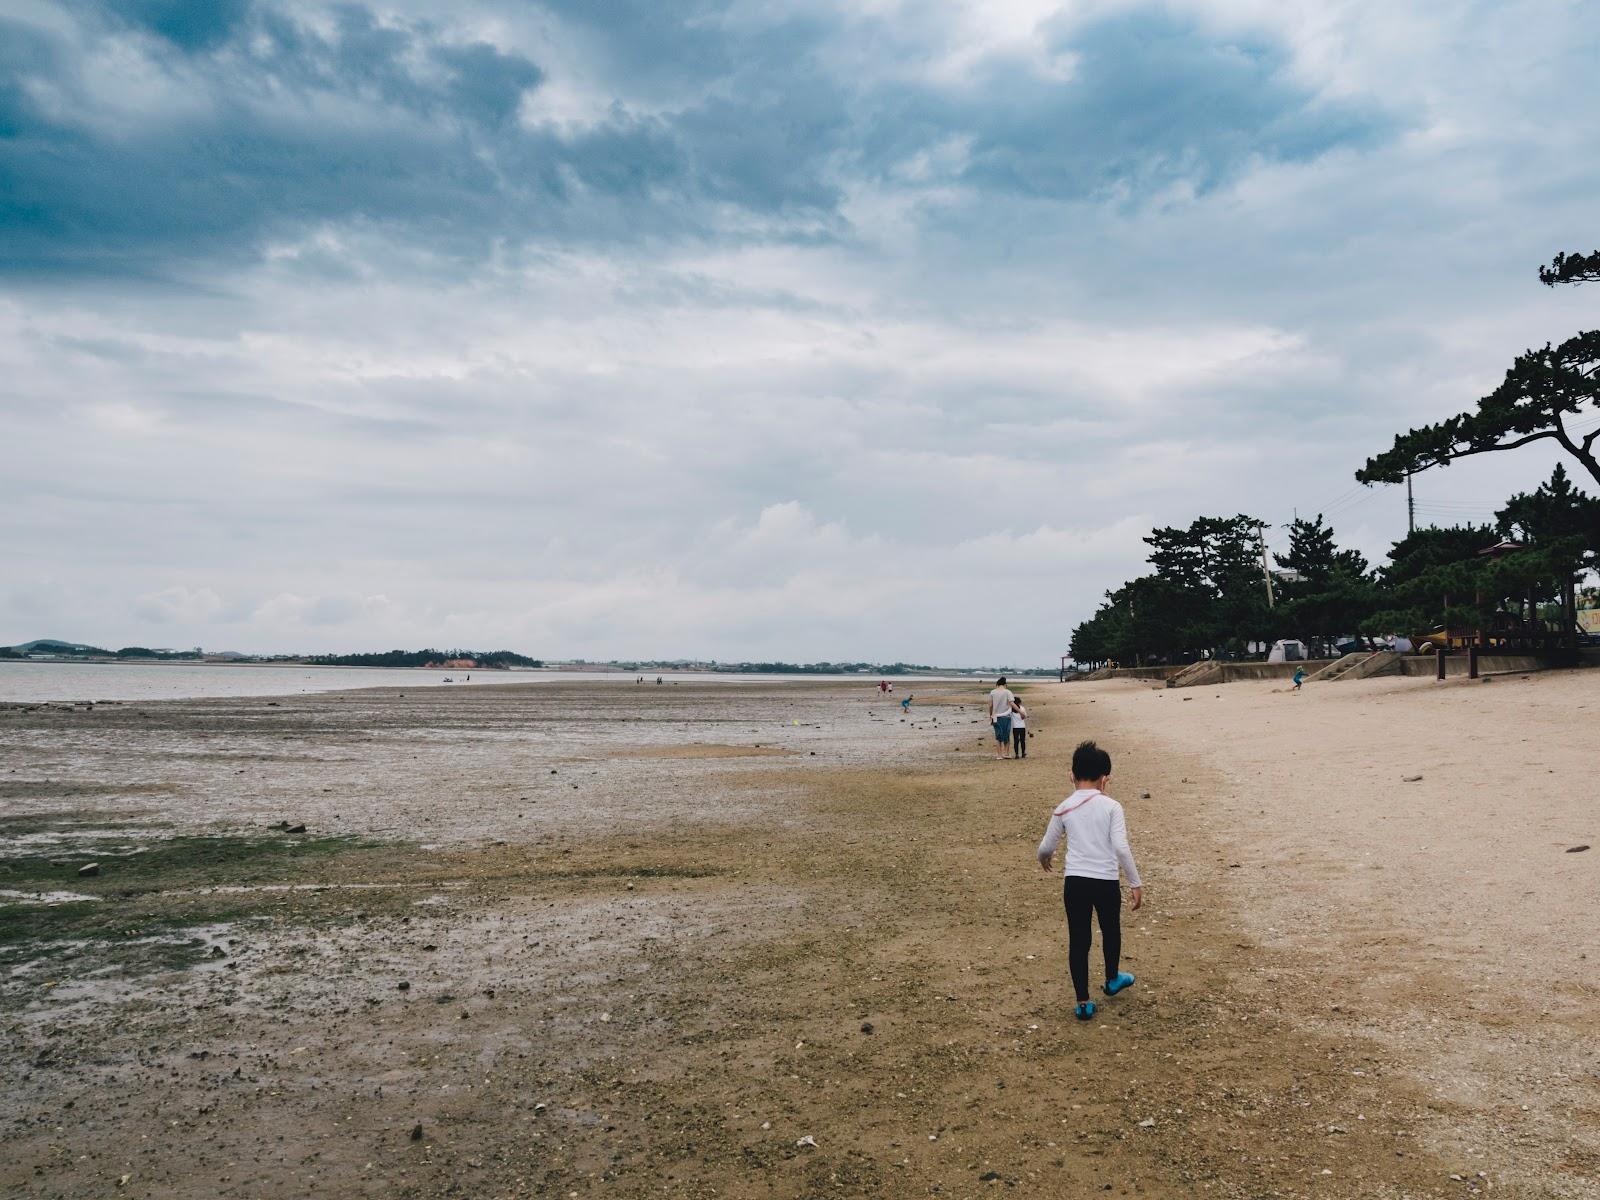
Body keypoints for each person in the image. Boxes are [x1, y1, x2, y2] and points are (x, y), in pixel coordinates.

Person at [1036, 741, 1144, 1021]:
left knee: (1079, 939)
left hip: (1075, 882)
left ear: (1071, 775)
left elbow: (1046, 847)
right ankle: (1111, 978)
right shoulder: (1111, 806)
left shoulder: (1063, 807)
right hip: (1105, 881)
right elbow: (1121, 847)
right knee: (1111, 930)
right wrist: (1135, 882)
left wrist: (1044, 859)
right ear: (1105, 778)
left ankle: (1083, 1002)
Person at [988, 676, 1015, 760]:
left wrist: (990, 715)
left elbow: (990, 705)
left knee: (998, 736)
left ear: (997, 684)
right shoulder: (1008, 692)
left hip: (996, 717)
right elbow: (1011, 703)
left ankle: (999, 755)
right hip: (1006, 716)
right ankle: (1006, 753)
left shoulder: (992, 692)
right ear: (1005, 684)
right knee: (1006, 735)